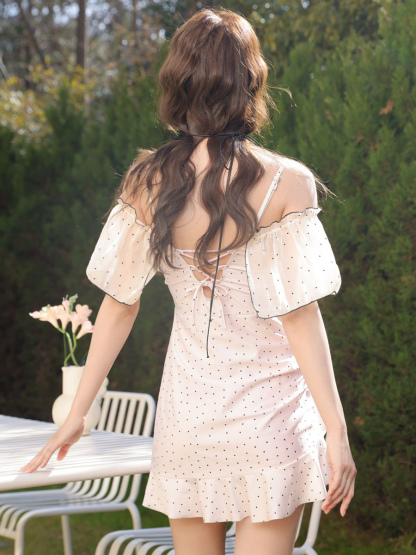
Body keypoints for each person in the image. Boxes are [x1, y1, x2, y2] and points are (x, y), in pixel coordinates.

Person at [19, 7, 357, 555]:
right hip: (271, 421)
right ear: (251, 81)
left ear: (178, 81)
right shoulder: (287, 182)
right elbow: (300, 318)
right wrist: (336, 432)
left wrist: (79, 412)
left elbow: (118, 304)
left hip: (187, 419)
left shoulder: (146, 182)